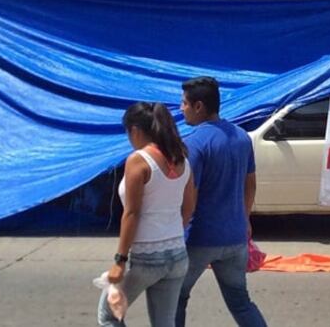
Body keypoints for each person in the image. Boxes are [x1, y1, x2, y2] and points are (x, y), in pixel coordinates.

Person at [176, 77, 268, 327]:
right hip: (235, 237)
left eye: (184, 103)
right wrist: (245, 218)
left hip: (200, 238)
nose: (180, 108)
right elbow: (250, 184)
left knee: (175, 298)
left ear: (198, 106)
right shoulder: (241, 137)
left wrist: (177, 232)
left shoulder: (194, 144)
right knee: (240, 302)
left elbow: (189, 196)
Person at [100, 103, 196, 327]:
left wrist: (120, 261)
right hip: (177, 255)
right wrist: (169, 233)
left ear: (135, 130)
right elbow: (189, 207)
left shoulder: (138, 160)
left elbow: (131, 214)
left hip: (146, 257)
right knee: (165, 323)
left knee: (109, 316)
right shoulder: (181, 159)